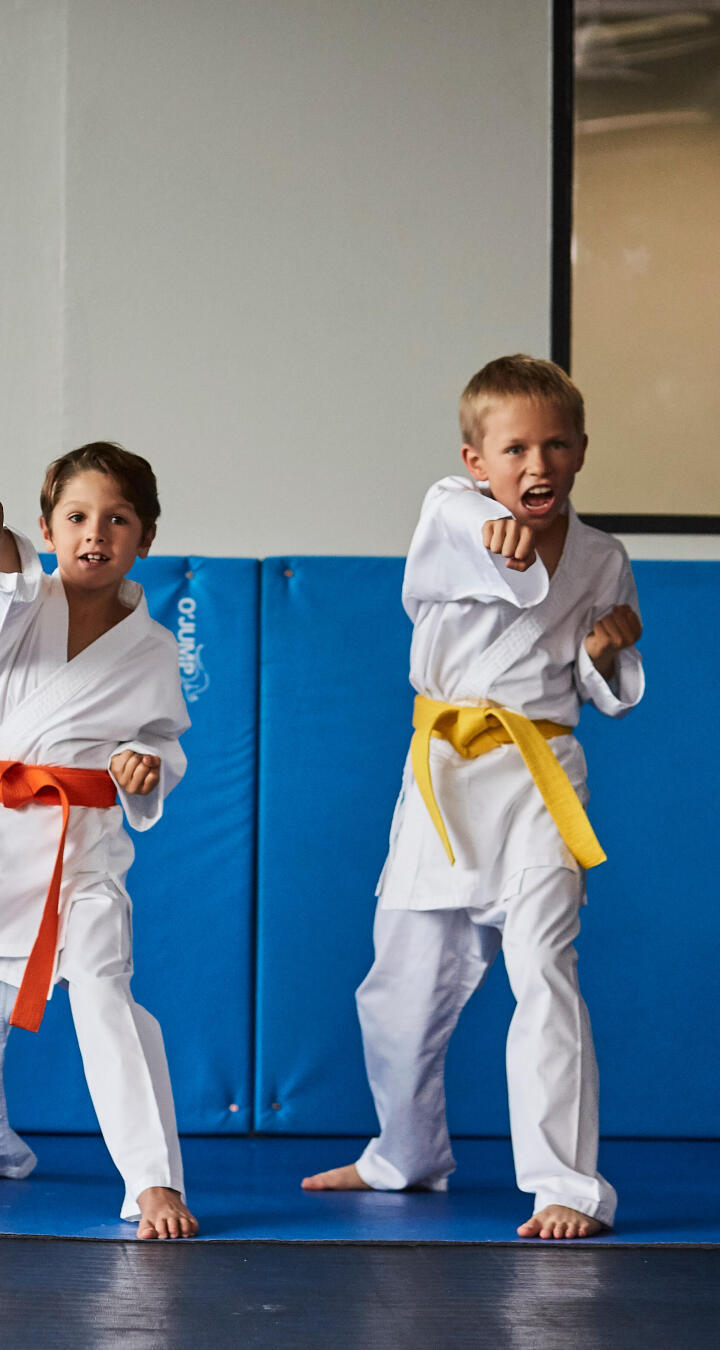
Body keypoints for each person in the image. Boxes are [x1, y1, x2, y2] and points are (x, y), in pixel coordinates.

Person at [301, 355, 643, 1239]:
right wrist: (504, 538)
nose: (536, 465)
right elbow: (487, 546)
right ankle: (404, 1154)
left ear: (581, 453)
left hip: (540, 779)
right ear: (475, 459)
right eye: (515, 448)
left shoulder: (606, 556)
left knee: (544, 973)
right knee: (400, 990)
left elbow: (597, 683)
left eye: (555, 446)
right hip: (446, 784)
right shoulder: (451, 513)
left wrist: (609, 648)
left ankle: (566, 1185)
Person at [0, 443, 197, 1239]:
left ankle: (153, 1183)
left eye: (118, 519)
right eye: (78, 517)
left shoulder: (153, 647)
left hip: (82, 853)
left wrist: (145, 766)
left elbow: (166, 740)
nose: (97, 533)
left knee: (104, 998)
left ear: (145, 539)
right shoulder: (23, 603)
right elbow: (2, 583)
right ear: (48, 530)